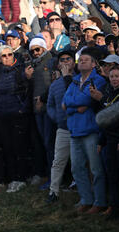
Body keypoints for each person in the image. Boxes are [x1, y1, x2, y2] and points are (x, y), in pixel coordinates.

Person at [62, 50, 107, 214]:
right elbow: (65, 102)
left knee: (96, 169)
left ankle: (99, 201)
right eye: (80, 60)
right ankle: (85, 199)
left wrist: (74, 105)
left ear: (94, 64)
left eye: (86, 60)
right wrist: (76, 107)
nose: (81, 62)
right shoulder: (74, 81)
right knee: (77, 168)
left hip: (91, 130)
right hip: (74, 130)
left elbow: (86, 100)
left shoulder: (98, 80)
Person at [91, 66, 119, 220]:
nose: (114, 79)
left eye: (117, 76)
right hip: (109, 139)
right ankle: (114, 207)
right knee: (112, 175)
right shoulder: (107, 94)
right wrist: (101, 141)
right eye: (112, 76)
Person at [0, 45, 31, 193]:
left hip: (18, 114)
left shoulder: (21, 70)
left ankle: (21, 178)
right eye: (4, 56)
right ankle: (13, 178)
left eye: (10, 55)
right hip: (2, 114)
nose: (7, 58)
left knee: (19, 147)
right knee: (7, 148)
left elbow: (28, 91)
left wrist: (23, 109)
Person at [46, 51, 76, 203]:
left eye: (68, 59)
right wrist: (56, 117)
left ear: (74, 62)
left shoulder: (79, 79)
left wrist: (67, 78)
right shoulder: (55, 85)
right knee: (58, 161)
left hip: (79, 126)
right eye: (62, 60)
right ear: (58, 64)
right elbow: (50, 105)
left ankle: (84, 193)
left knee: (80, 163)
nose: (65, 62)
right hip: (63, 127)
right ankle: (54, 192)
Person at [25, 37, 56, 189]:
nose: (35, 53)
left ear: (44, 48)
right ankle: (50, 176)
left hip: (49, 108)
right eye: (32, 51)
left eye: (38, 49)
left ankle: (54, 179)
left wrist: (43, 99)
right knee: (45, 143)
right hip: (38, 109)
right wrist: (28, 79)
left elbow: (54, 84)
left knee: (50, 144)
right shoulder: (33, 65)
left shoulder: (51, 62)